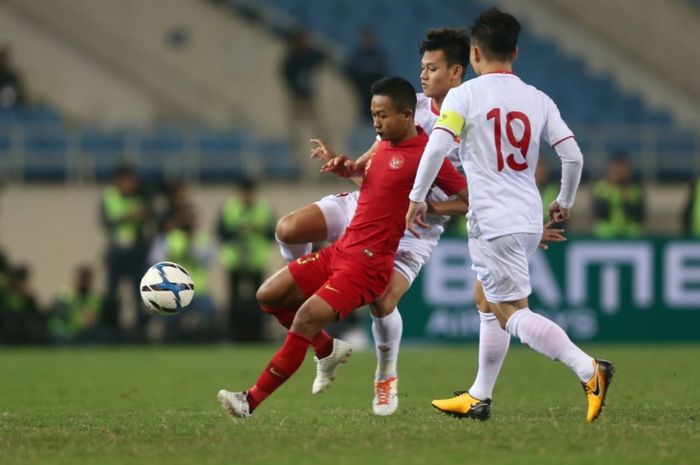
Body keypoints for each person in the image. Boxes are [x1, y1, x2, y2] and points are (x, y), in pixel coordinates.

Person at [274, 28, 563, 416]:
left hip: (416, 228)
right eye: (422, 67)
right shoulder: (414, 107)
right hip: (368, 206)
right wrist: (344, 164)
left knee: (382, 299)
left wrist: (438, 209)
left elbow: (477, 198)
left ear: (457, 71)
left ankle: (385, 374)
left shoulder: (479, 120)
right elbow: (367, 167)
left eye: (432, 67)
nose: (423, 75)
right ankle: (323, 339)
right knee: (288, 229)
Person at [406, 8, 614, 422]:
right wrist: (565, 202)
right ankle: (479, 397)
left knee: (511, 312)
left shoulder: (464, 95)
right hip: (527, 215)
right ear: (515, 52)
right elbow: (572, 156)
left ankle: (589, 369)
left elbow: (437, 147)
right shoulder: (538, 98)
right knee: (485, 298)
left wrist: (416, 196)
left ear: (475, 54)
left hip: (492, 220)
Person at [217, 76, 468, 419]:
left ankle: (250, 400)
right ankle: (327, 348)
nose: (376, 123)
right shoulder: (383, 146)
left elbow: (469, 200)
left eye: (382, 116)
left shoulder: (428, 158)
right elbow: (369, 182)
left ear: (407, 115)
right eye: (373, 115)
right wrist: (342, 165)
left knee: (305, 316)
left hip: (367, 265)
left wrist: (430, 206)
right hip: (341, 249)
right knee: (268, 296)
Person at [217, 178, 276, 342]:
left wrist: (259, 230)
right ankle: (232, 335)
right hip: (235, 261)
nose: (247, 196)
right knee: (234, 301)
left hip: (256, 261)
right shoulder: (229, 208)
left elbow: (273, 234)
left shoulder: (263, 209)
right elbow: (220, 233)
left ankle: (259, 335)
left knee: (261, 300)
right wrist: (239, 231)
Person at [100, 165, 150, 337]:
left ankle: (141, 331)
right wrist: (127, 216)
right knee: (113, 293)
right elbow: (106, 221)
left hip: (137, 251)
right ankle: (111, 330)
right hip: (117, 251)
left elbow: (150, 217)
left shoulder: (142, 196)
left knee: (141, 292)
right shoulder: (110, 197)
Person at [280, 27, 327, 175]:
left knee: (319, 129)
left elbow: (322, 58)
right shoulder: (291, 58)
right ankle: (301, 164)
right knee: (297, 130)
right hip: (298, 98)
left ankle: (325, 162)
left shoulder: (311, 55)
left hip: (311, 97)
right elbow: (286, 76)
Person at [592, 153, 645, 238]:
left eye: (623, 168)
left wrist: (626, 198)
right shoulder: (601, 187)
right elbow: (599, 212)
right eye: (617, 168)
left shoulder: (635, 188)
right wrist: (609, 190)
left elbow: (640, 214)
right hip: (606, 234)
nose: (620, 172)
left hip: (631, 234)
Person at [48, 266, 105, 344]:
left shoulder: (93, 298)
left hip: (81, 332)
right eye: (82, 278)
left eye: (86, 279)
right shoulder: (65, 294)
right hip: (62, 332)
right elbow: (59, 315)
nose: (84, 282)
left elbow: (91, 320)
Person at [345, 28, 387, 122]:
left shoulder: (379, 56)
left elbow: (383, 75)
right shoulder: (357, 56)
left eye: (369, 38)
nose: (367, 40)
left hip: (375, 92)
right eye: (365, 38)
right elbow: (351, 75)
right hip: (360, 93)